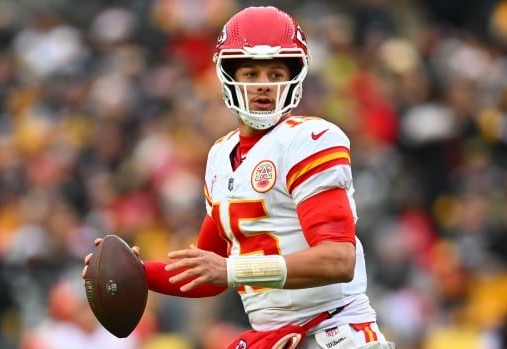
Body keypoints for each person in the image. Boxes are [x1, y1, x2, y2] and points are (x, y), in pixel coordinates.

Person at [83, 6, 394, 349]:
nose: (264, 86)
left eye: (276, 74)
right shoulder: (220, 156)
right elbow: (206, 273)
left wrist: (233, 271)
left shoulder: (308, 140)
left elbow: (337, 259)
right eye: (251, 73)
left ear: (294, 77)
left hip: (334, 335)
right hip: (278, 338)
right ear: (229, 76)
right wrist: (136, 273)